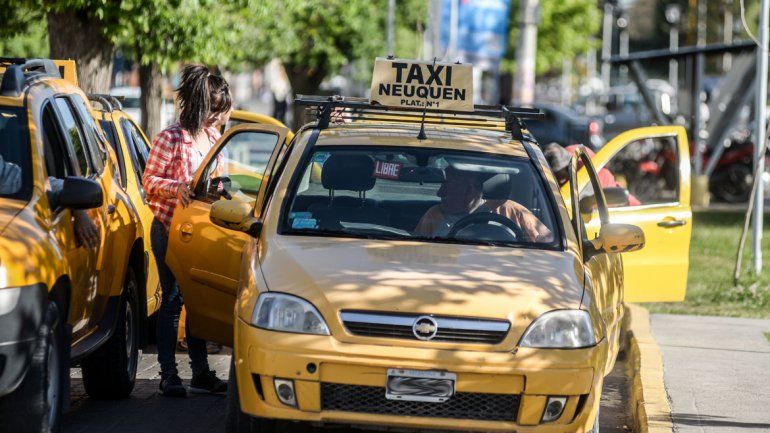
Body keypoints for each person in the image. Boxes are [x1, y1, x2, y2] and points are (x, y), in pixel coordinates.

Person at [143, 65, 232, 397]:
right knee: (174, 301)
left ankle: (201, 373)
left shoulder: (211, 138)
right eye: (215, 110)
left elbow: (216, 179)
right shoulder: (170, 137)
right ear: (200, 105)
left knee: (197, 301)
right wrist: (176, 188)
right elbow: (149, 182)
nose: (218, 118)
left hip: (199, 232)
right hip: (169, 230)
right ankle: (168, 374)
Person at [414, 167, 552, 242]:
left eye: (447, 187)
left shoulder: (511, 210)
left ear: (469, 190)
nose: (439, 193)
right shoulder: (435, 214)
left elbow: (548, 240)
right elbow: (417, 251)